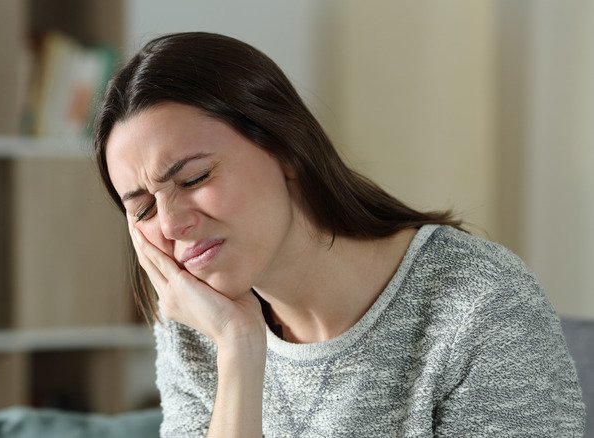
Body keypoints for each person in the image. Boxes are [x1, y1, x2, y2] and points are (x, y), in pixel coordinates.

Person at [93, 32, 585, 437]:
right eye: (144, 208)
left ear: (285, 147)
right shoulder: (201, 323)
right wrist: (238, 347)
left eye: (195, 179)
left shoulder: (478, 303)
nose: (173, 224)